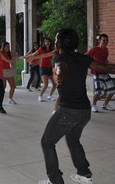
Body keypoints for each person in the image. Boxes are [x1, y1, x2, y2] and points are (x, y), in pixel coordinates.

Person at [38, 28, 115, 184]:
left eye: (56, 39)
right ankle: (84, 174)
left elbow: (61, 78)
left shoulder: (59, 59)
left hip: (69, 111)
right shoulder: (83, 58)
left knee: (47, 142)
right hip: (85, 111)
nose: (54, 41)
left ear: (60, 42)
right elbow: (105, 67)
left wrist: (61, 95)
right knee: (72, 139)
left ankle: (55, 180)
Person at [86, 34, 115, 112]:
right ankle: (94, 105)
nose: (106, 42)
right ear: (100, 41)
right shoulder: (95, 49)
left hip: (105, 72)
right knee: (98, 90)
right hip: (97, 73)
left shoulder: (106, 50)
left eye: (107, 40)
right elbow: (86, 56)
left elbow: (104, 60)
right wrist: (92, 65)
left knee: (112, 89)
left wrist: (108, 63)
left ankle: (105, 105)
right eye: (104, 40)